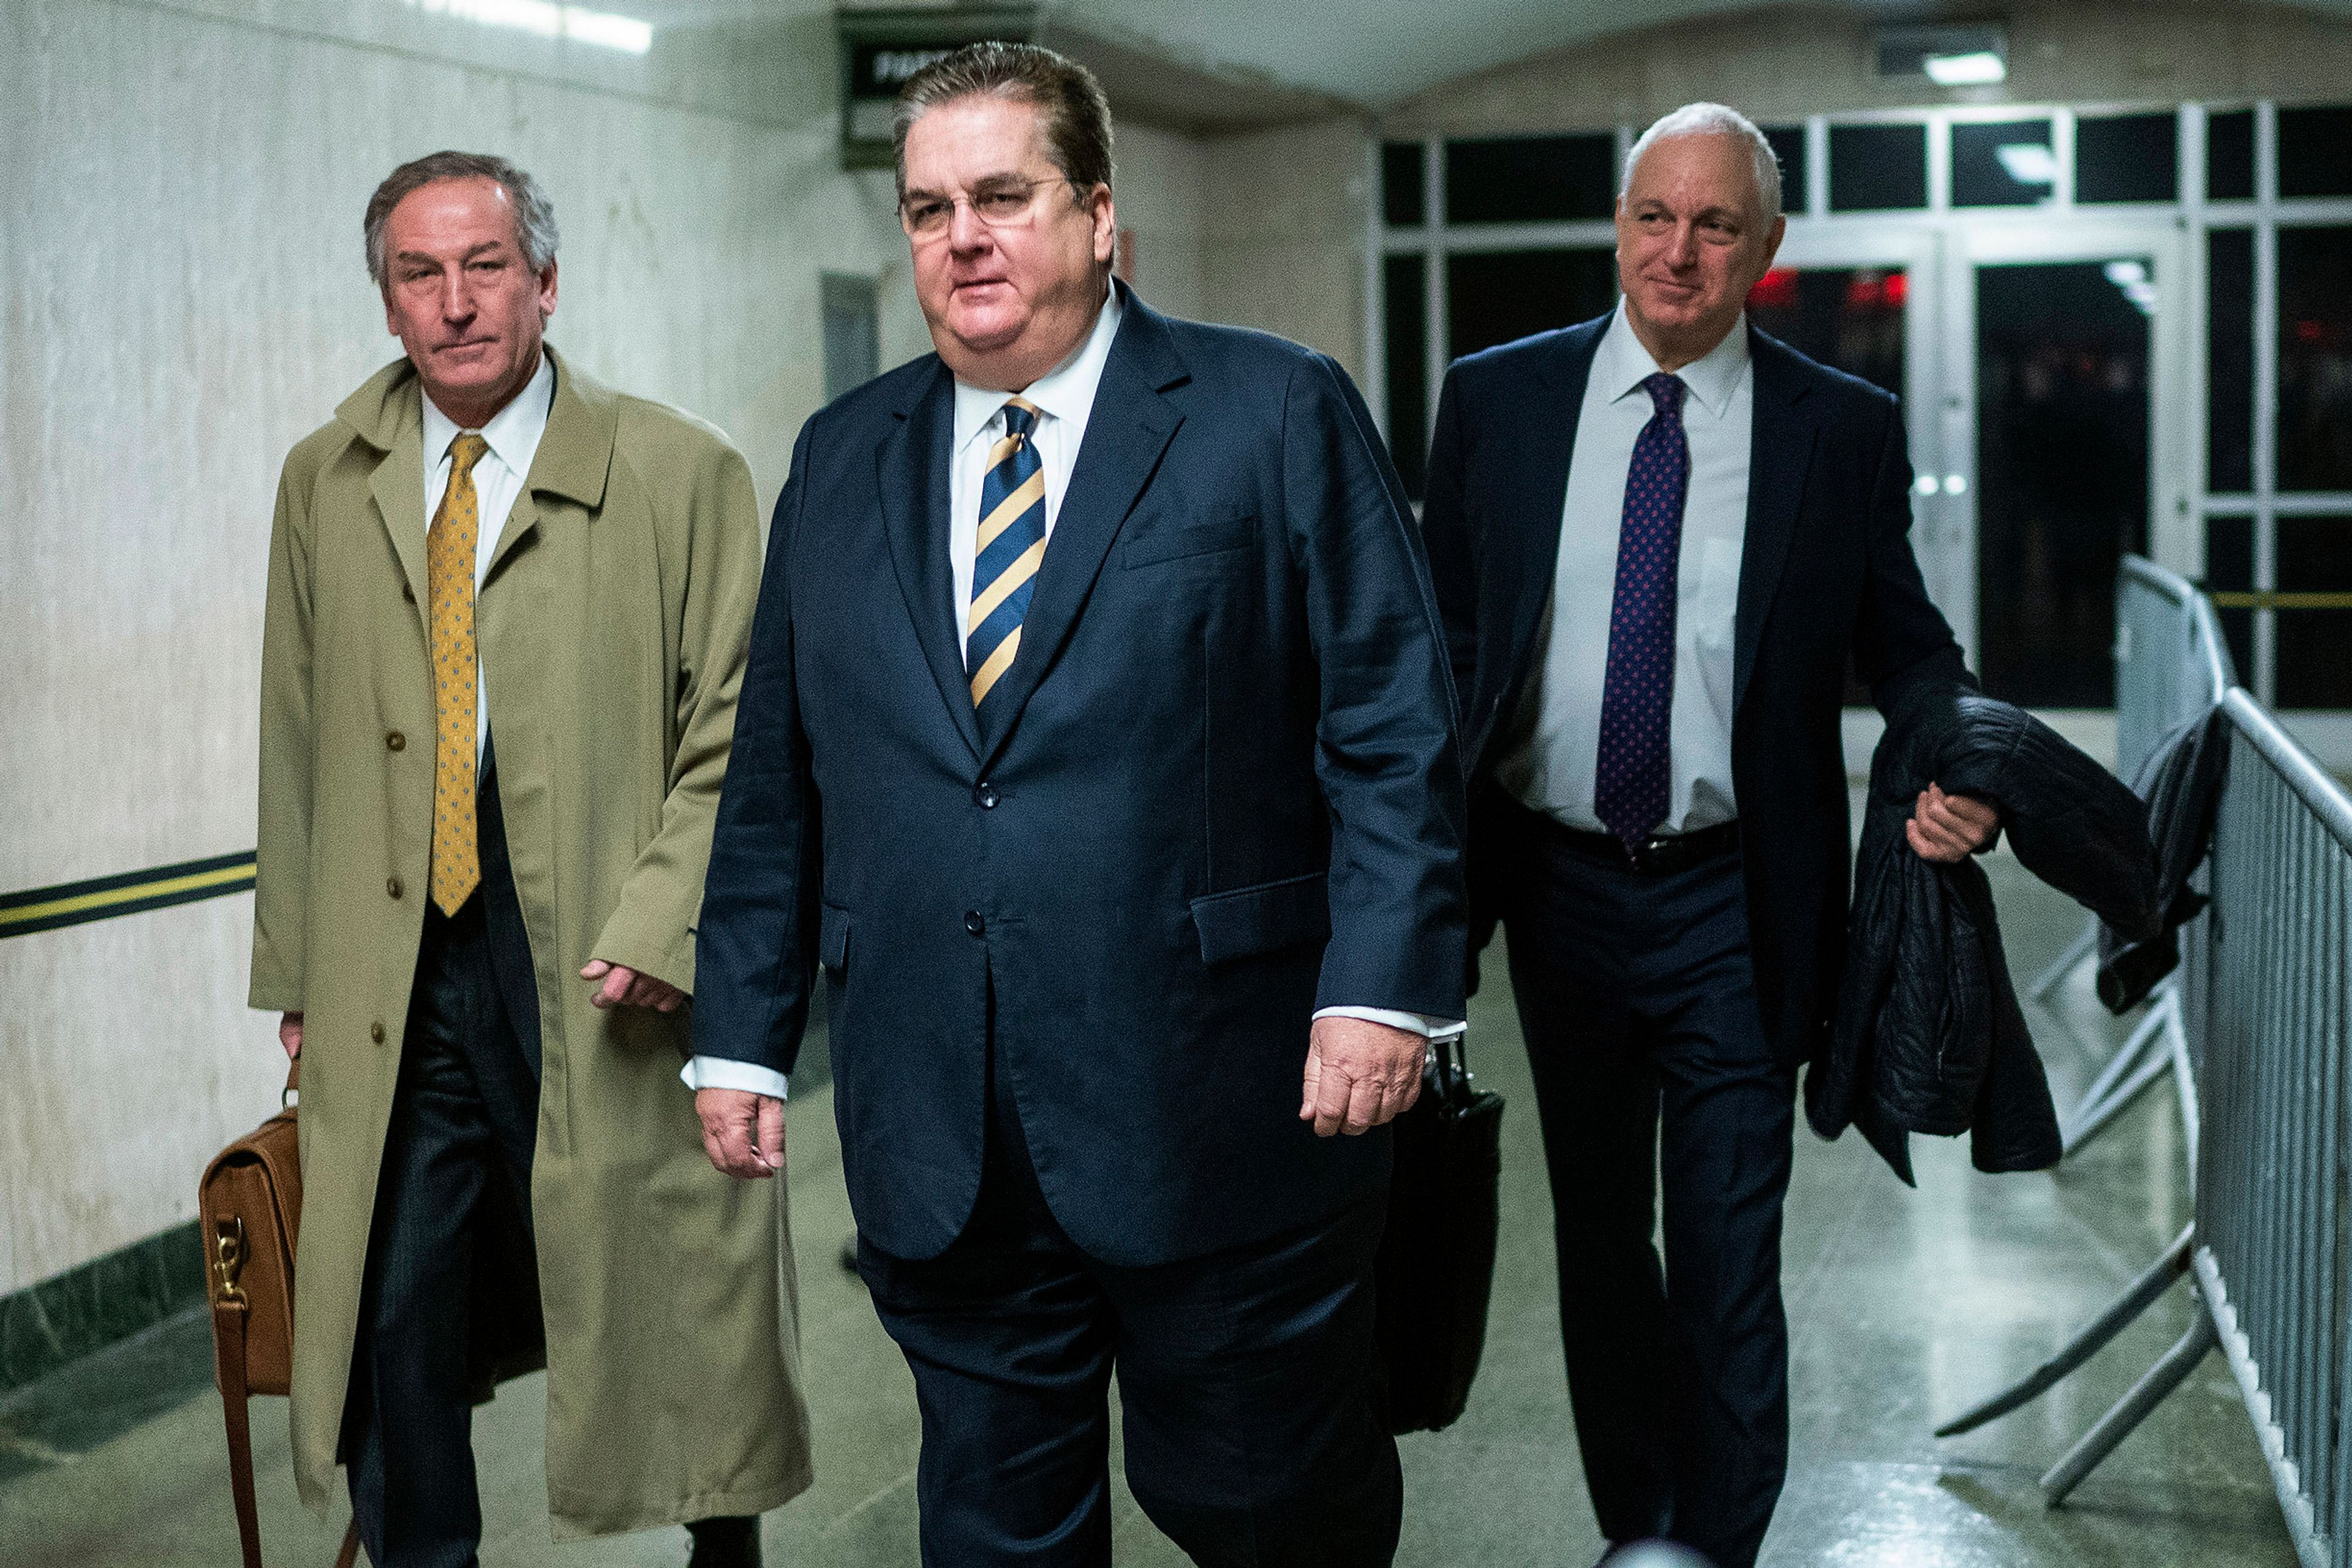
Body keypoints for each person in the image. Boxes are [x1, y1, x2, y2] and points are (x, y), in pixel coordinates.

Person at [688, 42, 1466, 1568]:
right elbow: (776, 770)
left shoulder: (1271, 409)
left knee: (1273, 1510)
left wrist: (1383, 988)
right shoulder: (843, 459)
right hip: (944, 1128)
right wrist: (741, 1031)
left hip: (1225, 1103)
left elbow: (1392, 723)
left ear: (1101, 217)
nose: (962, 237)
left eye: (1002, 195)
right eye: (927, 209)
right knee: (993, 1535)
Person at [1421, 104, 1998, 1568]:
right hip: (1554, 891)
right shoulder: (1497, 400)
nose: (1678, 253)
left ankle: (1717, 1549)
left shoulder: (1836, 430)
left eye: (1716, 224)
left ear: (1767, 250)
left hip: (1735, 901)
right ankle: (1645, 1536)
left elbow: (1910, 648)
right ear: (1619, 227)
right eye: (1653, 218)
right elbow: (1441, 639)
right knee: (1605, 1248)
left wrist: (1965, 756)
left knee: (1731, 1260)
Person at [249, 151, 808, 1568]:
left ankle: (720, 1545)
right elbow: (297, 731)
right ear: (387, 304)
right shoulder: (329, 478)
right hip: (401, 956)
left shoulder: (680, 472)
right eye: (418, 275)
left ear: (546, 283)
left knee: (662, 1271)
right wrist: (300, 971)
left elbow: (737, 727)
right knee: (392, 1299)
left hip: (597, 943)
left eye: (484, 267)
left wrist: (671, 916)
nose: (454, 304)